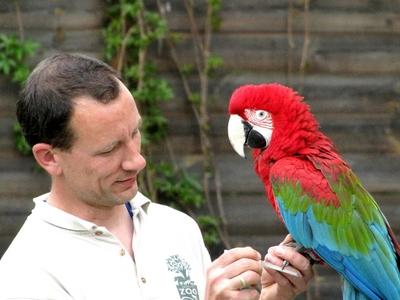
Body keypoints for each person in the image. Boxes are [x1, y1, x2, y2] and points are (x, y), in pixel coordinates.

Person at [0, 53, 313, 300]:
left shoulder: (176, 229)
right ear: (49, 157)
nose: (137, 160)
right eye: (109, 150)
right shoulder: (26, 274)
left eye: (135, 133)